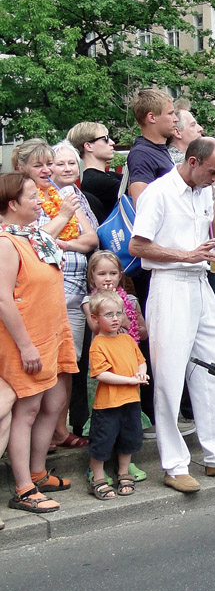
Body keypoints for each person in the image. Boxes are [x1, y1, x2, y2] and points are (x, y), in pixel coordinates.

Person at [128, 138, 215, 491]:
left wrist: (214, 223)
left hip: (199, 281)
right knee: (170, 373)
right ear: (193, 161)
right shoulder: (158, 192)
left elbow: (204, 241)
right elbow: (137, 246)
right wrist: (185, 255)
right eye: (213, 171)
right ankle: (173, 464)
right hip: (169, 282)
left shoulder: (204, 192)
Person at [12, 137, 97, 449]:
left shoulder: (62, 194)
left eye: (50, 162)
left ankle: (58, 431)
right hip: (43, 293)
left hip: (74, 289)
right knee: (43, 367)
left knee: (66, 364)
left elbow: (91, 238)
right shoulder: (19, 198)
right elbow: (30, 241)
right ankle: (38, 437)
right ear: (20, 168)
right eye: (40, 164)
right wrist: (61, 220)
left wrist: (64, 243)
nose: (48, 169)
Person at [0, 173, 77, 514]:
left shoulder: (30, 235)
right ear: (12, 204)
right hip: (28, 342)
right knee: (27, 412)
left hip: (52, 335)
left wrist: (63, 214)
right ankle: (23, 488)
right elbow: (3, 300)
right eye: (32, 196)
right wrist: (26, 346)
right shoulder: (5, 242)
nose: (39, 201)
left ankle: (37, 472)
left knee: (53, 404)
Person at [86, 291, 148, 501]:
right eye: (108, 314)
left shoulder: (127, 340)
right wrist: (130, 380)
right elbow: (101, 374)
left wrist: (141, 371)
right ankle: (98, 476)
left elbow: (141, 359)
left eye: (118, 313)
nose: (115, 318)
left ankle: (124, 472)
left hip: (131, 401)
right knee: (102, 441)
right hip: (108, 404)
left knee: (128, 438)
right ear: (95, 318)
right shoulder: (98, 344)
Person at [125, 88, 178, 206]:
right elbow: (142, 205)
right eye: (170, 113)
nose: (176, 119)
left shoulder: (158, 149)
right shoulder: (141, 154)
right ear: (152, 117)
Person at [66, 121, 119, 224]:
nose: (112, 142)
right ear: (88, 146)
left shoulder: (105, 177)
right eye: (106, 139)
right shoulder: (96, 181)